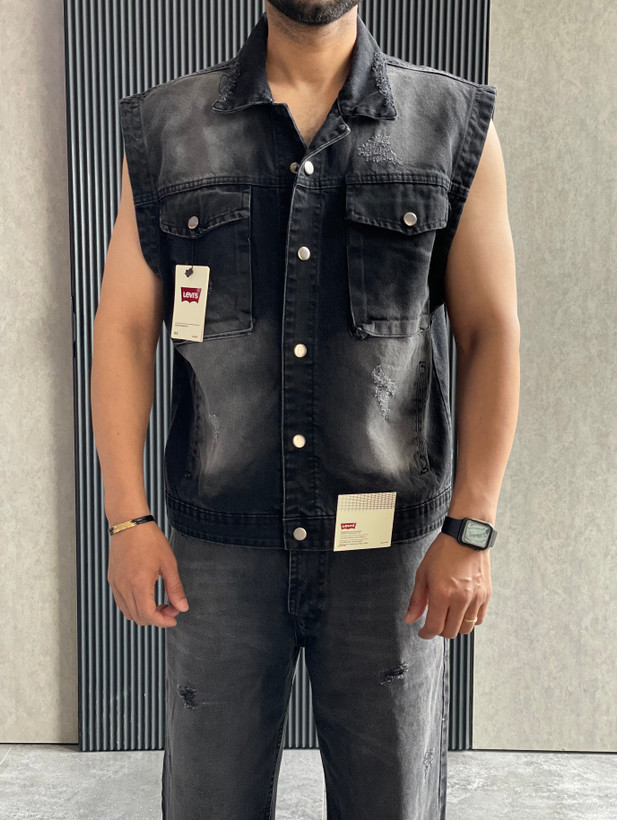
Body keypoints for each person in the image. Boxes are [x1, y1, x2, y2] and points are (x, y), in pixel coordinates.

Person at [91, 1, 519, 817]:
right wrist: (126, 520)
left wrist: (471, 527)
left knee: (390, 804)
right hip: (220, 549)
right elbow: (124, 329)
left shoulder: (448, 121)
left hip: (387, 559)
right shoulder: (168, 127)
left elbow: (490, 332)